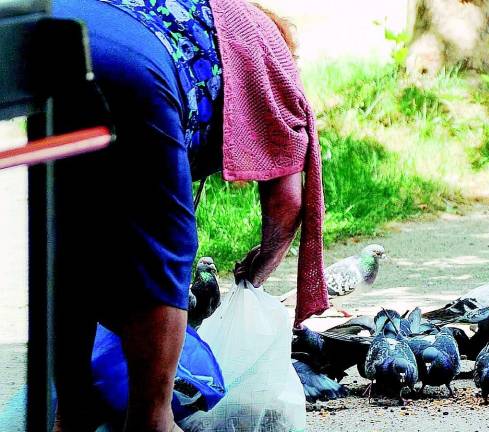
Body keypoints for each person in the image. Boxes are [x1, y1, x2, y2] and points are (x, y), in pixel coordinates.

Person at [50, 0, 328, 430]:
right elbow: (288, 200)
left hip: (53, 38)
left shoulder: (189, 9)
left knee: (76, 243)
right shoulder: (267, 49)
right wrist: (260, 268)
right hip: (137, 69)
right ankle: (152, 419)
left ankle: (70, 415)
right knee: (169, 248)